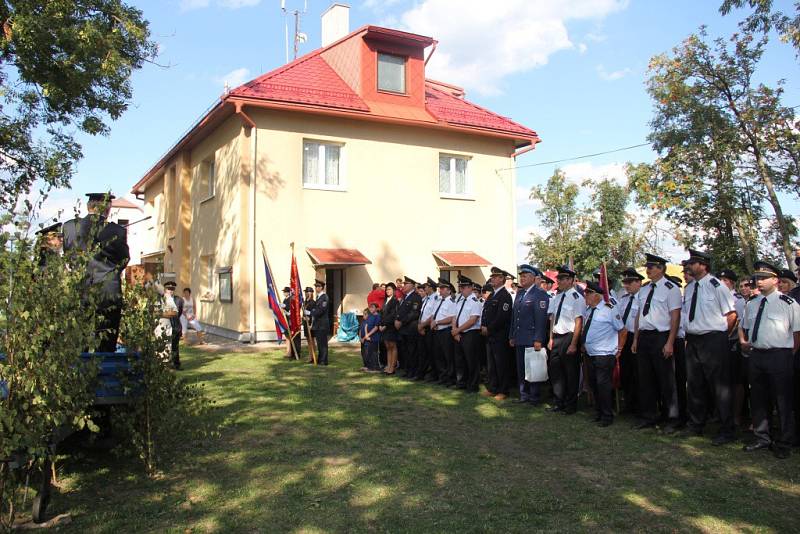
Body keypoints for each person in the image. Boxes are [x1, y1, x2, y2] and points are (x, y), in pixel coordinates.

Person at [740, 261, 800, 459]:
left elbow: (797, 334)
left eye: (764, 278)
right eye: (757, 278)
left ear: (775, 280)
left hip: (780, 356)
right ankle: (762, 437)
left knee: (782, 400)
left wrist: (788, 355)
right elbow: (745, 326)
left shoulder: (788, 303)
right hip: (757, 355)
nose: (759, 281)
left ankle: (784, 440)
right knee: (758, 398)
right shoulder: (752, 303)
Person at [682, 249, 738, 445]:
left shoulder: (717, 286)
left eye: (693, 263)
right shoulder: (689, 288)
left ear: (703, 265)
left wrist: (721, 336)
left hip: (713, 340)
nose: (689, 266)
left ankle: (726, 429)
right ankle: (696, 424)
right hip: (694, 340)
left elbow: (731, 315)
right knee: (695, 384)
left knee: (719, 386)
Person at [62, 192, 130, 352]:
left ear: (88, 207)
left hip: (80, 289)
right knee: (105, 346)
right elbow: (124, 259)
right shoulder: (116, 231)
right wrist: (110, 273)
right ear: (107, 209)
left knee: (79, 344)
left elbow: (67, 256)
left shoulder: (69, 227)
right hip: (108, 292)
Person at [632, 253, 682, 432]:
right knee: (646, 379)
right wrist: (636, 338)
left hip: (662, 336)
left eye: (651, 267)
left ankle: (672, 418)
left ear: (661, 268)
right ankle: (649, 416)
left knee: (666, 380)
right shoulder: (644, 289)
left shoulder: (671, 288)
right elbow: (639, 315)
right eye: (648, 266)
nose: (648, 270)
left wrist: (670, 342)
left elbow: (675, 317)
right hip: (645, 336)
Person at [581, 281, 626, 427]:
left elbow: (622, 330)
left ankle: (607, 415)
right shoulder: (588, 310)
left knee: (603, 385)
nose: (585, 296)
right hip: (590, 353)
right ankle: (599, 412)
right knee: (593, 384)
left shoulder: (609, 309)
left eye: (588, 293)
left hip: (604, 354)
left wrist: (619, 349)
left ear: (597, 295)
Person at [547, 265, 586, 415]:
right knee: (556, 372)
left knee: (571, 373)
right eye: (559, 279)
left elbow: (578, 322)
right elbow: (553, 318)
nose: (560, 281)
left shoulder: (577, 298)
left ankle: (570, 405)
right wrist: (550, 337)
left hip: (569, 337)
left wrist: (574, 343)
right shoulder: (557, 297)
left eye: (563, 279)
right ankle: (558, 402)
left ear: (570, 280)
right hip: (557, 337)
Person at [509, 264, 550, 406]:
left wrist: (538, 339)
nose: (522, 278)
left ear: (533, 278)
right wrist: (512, 335)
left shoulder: (540, 294)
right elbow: (515, 317)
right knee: (521, 368)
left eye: (525, 276)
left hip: (532, 338)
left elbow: (541, 319)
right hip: (520, 337)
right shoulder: (520, 294)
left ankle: (534, 397)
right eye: (521, 276)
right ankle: (523, 395)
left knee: (533, 368)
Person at [718, 269, 747, 428]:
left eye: (726, 280)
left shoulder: (738, 300)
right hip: (717, 343)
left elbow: (740, 322)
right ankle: (721, 413)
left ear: (732, 283)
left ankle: (736, 415)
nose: (723, 283)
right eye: (720, 280)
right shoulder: (716, 297)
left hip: (733, 344)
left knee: (736, 381)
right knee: (721, 380)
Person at [481, 267, 514, 400]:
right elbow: (485, 313)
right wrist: (483, 325)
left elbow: (502, 317)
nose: (492, 279)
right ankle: (493, 388)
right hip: (490, 336)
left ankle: (503, 390)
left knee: (501, 364)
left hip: (499, 335)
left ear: (502, 279)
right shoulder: (492, 295)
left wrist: (489, 328)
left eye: (495, 277)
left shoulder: (505, 296)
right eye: (492, 277)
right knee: (492, 364)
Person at [618, 267, 643, 415]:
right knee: (625, 372)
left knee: (638, 373)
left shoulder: (643, 298)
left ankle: (640, 405)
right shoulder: (624, 299)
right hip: (624, 339)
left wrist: (636, 340)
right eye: (625, 282)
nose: (626, 286)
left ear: (638, 282)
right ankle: (629, 403)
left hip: (637, 338)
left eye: (629, 282)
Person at [451, 275, 483, 392]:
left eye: (463, 287)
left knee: (471, 361)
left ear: (470, 288)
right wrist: (455, 330)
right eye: (460, 287)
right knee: (460, 360)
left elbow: (473, 320)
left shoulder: (474, 301)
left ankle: (473, 385)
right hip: (459, 333)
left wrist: (457, 330)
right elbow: (455, 316)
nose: (461, 290)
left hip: (470, 334)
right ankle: (462, 382)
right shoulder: (460, 300)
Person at [395, 276, 422, 378]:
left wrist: (401, 321)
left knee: (412, 351)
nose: (403, 286)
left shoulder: (416, 297)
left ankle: (413, 372)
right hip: (404, 329)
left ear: (411, 285)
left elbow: (414, 313)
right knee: (405, 351)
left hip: (410, 328)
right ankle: (407, 370)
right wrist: (397, 320)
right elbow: (401, 311)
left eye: (406, 284)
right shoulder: (406, 297)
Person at [432, 279, 457, 385]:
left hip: (445, 331)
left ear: (449, 290)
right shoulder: (438, 301)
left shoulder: (451, 302)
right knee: (438, 355)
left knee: (448, 356)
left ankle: (450, 378)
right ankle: (442, 377)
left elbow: (451, 318)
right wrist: (433, 323)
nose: (440, 290)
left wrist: (437, 322)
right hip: (437, 331)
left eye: (442, 288)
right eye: (440, 288)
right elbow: (433, 314)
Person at [414, 278, 439, 381]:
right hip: (422, 327)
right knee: (422, 352)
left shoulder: (435, 299)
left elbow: (432, 315)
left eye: (426, 287)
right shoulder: (427, 299)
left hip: (428, 328)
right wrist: (420, 326)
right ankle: (421, 374)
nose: (424, 289)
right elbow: (422, 313)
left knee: (430, 353)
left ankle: (432, 374)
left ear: (431, 288)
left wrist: (423, 325)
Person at [308, 279, 330, 366]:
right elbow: (316, 308)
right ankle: (320, 359)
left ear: (322, 287)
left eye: (318, 286)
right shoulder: (318, 297)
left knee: (323, 343)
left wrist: (311, 313)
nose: (316, 288)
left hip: (322, 324)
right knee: (319, 343)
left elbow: (321, 310)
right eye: (316, 286)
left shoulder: (324, 297)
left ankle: (324, 361)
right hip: (317, 324)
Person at [163, 281, 184, 369]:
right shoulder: (161, 299)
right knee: (164, 346)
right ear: (165, 289)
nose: (170, 291)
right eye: (169, 289)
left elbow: (179, 313)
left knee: (175, 347)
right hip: (164, 326)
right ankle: (165, 364)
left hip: (175, 326)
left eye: (172, 289)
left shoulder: (179, 300)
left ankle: (176, 364)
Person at [380, 282, 400, 374]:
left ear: (394, 290)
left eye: (389, 289)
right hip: (384, 326)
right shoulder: (385, 300)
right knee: (387, 347)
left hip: (390, 326)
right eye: (386, 289)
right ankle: (388, 366)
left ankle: (392, 367)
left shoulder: (395, 301)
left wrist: (385, 325)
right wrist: (380, 324)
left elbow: (393, 315)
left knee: (393, 346)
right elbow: (382, 314)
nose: (387, 291)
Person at [302, 287, 316, 363]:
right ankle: (310, 355)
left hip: (310, 324)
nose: (306, 293)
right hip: (305, 323)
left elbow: (313, 315)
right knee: (308, 340)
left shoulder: (313, 302)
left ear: (311, 293)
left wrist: (312, 324)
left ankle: (313, 356)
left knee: (312, 340)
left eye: (308, 292)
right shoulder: (305, 302)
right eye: (306, 292)